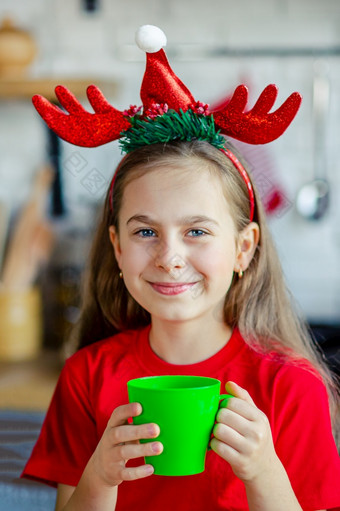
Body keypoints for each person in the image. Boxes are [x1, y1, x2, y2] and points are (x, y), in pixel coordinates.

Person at [22, 26, 340, 511]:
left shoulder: (293, 388)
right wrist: (100, 478)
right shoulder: (86, 377)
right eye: (145, 232)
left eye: (197, 231)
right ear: (117, 247)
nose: (169, 257)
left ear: (243, 248)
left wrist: (264, 472)